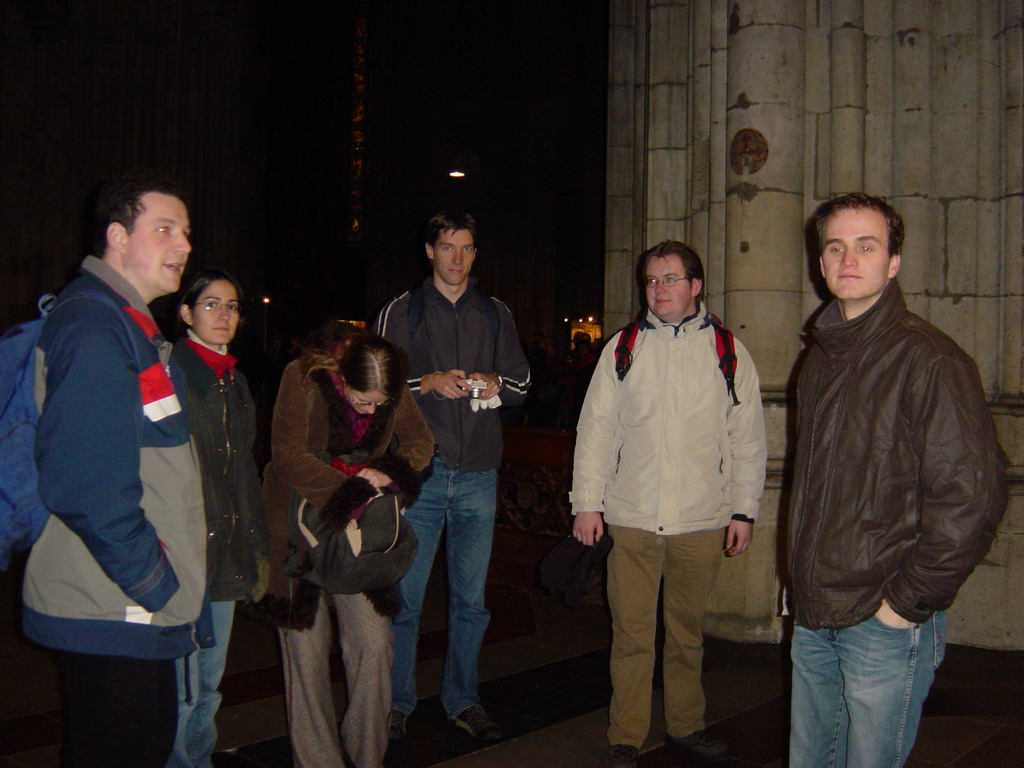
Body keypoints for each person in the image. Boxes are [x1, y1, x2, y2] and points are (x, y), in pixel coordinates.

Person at [787, 193, 1008, 768]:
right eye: (835, 246)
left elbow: (974, 497)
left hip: (880, 619)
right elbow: (814, 486)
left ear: (893, 263)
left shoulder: (929, 358)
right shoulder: (818, 360)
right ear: (821, 261)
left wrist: (904, 606)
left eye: (867, 245)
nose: (848, 258)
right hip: (815, 614)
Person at [22, 169, 209, 768]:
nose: (183, 245)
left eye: (186, 232)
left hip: (122, 604)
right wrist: (156, 581)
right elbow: (85, 484)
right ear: (117, 237)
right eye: (164, 229)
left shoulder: (124, 324)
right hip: (111, 603)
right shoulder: (95, 325)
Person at [571, 240, 767, 767]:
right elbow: (596, 431)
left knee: (686, 634)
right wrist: (587, 504)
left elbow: (748, 437)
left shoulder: (727, 350)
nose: (659, 289)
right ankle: (626, 734)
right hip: (633, 517)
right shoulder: (623, 347)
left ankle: (686, 725)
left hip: (702, 518)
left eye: (671, 279)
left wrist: (743, 510)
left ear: (695, 286)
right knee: (631, 634)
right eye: (653, 281)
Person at [375, 211, 531, 741]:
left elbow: (523, 384)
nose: (457, 259)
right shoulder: (402, 311)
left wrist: (494, 382)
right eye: (447, 247)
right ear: (429, 251)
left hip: (478, 474)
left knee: (471, 602)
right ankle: (395, 702)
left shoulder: (494, 312)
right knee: (405, 603)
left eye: (466, 248)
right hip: (418, 475)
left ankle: (463, 700)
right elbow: (373, 390)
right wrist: (426, 382)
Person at [254, 322, 433, 768]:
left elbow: (420, 441)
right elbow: (287, 453)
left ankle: (367, 756)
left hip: (359, 538)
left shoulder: (389, 384)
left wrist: (389, 473)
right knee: (305, 658)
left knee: (374, 646)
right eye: (362, 400)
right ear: (342, 375)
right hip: (299, 531)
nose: (373, 412)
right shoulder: (302, 377)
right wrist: (349, 486)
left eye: (380, 404)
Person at [168, 269, 270, 768]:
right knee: (181, 686)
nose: (224, 314)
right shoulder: (172, 373)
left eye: (231, 306)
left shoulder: (235, 379)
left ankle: (199, 759)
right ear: (186, 312)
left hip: (226, 547)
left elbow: (244, 470)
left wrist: (257, 544)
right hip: (186, 550)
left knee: (209, 683)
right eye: (211, 304)